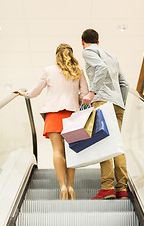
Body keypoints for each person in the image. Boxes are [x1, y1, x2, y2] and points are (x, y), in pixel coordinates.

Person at [16, 44, 89, 200]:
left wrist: (25, 94)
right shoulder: (78, 71)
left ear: (57, 55)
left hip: (53, 115)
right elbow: (84, 96)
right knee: (71, 152)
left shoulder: (48, 70)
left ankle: (62, 186)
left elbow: (35, 91)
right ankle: (71, 186)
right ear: (71, 54)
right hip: (72, 116)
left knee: (57, 151)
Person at [81, 29, 129, 200]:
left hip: (102, 102)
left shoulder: (88, 51)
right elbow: (125, 83)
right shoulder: (112, 56)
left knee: (104, 143)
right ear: (98, 41)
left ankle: (108, 187)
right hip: (118, 103)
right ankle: (122, 188)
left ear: (82, 41)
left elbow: (100, 68)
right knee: (117, 145)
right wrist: (120, 102)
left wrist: (92, 92)